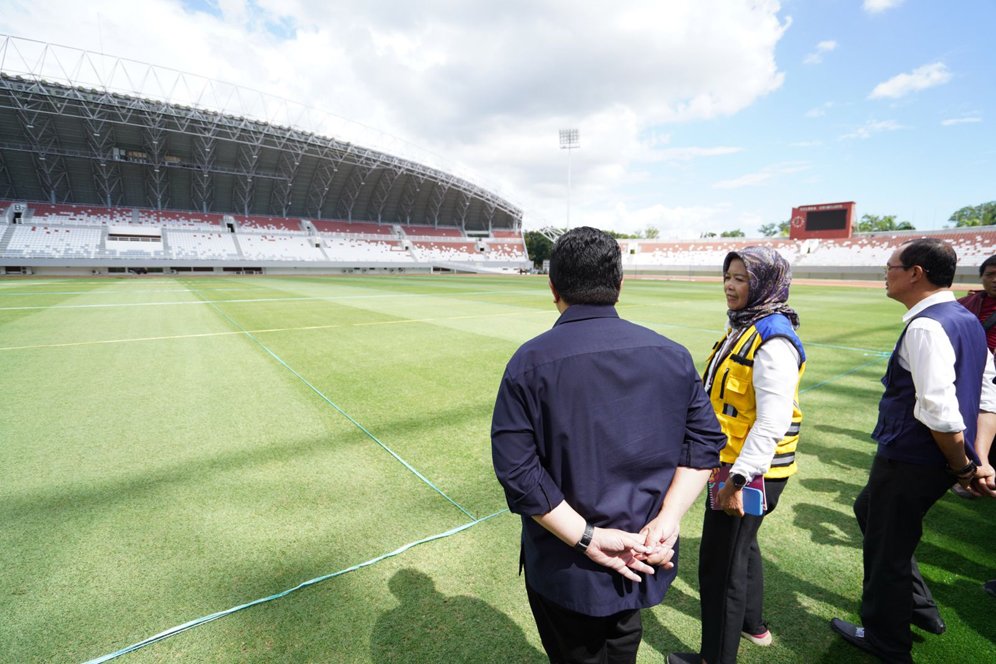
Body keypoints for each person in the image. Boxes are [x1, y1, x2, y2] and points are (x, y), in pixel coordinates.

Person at [491, 226, 726, 664]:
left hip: (568, 567)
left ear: (552, 287)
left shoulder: (529, 362)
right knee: (622, 648)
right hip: (642, 555)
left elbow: (518, 472)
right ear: (619, 283)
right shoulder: (672, 354)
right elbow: (706, 444)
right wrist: (667, 520)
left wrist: (588, 538)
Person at [830, 238, 996, 663]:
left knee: (887, 547)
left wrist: (964, 466)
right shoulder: (965, 317)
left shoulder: (927, 326)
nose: (886, 273)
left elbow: (939, 412)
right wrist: (979, 459)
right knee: (870, 511)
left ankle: (886, 640)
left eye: (891, 267)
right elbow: (984, 393)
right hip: (933, 458)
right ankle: (920, 609)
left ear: (915, 273)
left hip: (913, 457)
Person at [668, 246, 805, 664]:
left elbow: (772, 420)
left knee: (719, 568)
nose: (730, 285)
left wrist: (737, 481)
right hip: (737, 463)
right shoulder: (748, 325)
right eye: (728, 275)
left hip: (748, 470)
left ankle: (715, 658)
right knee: (743, 549)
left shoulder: (772, 339)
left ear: (764, 283)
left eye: (742, 278)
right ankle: (752, 624)